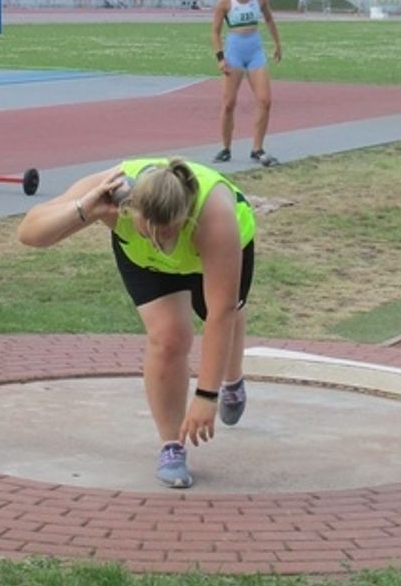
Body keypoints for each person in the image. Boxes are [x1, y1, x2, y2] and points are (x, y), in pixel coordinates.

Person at [17, 157, 256, 489]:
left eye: (168, 232)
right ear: (129, 210)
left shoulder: (213, 215)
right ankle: (171, 445)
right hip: (143, 263)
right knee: (168, 338)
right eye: (151, 232)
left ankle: (233, 381)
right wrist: (86, 209)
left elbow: (220, 313)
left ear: (184, 216)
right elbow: (30, 234)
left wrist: (206, 395)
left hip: (214, 251)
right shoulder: (114, 190)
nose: (161, 242)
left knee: (227, 312)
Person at [210, 0, 283, 167]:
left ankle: (257, 149)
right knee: (228, 103)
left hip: (255, 51)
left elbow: (269, 19)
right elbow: (215, 32)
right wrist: (221, 58)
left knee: (265, 100)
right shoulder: (225, 1)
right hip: (234, 52)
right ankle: (225, 148)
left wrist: (277, 43)